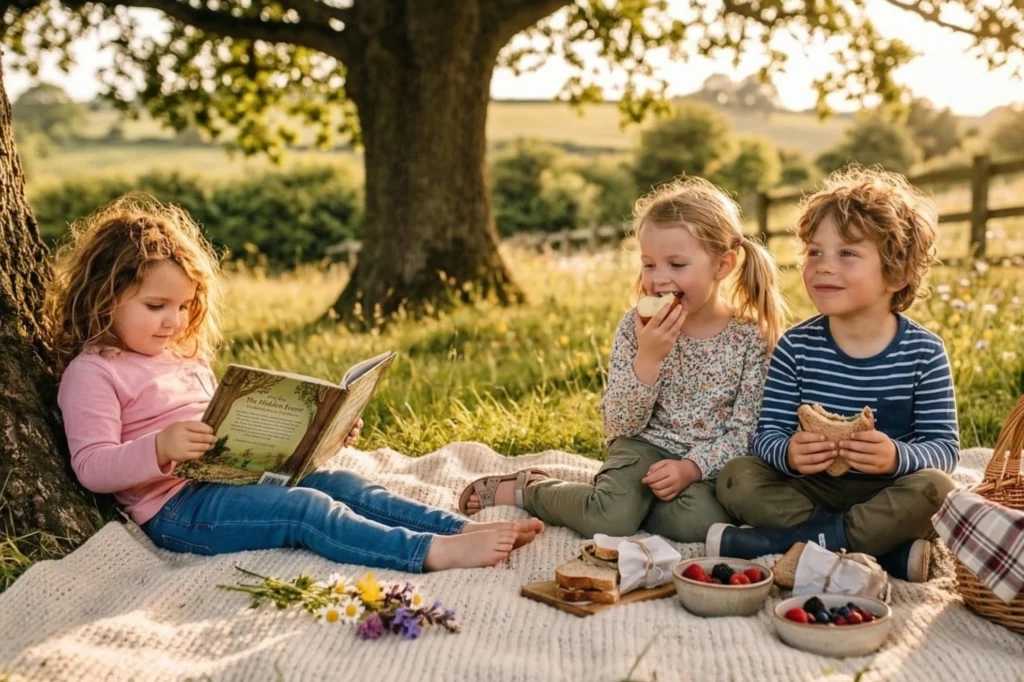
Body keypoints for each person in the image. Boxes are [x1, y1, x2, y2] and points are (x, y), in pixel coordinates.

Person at [48, 194, 543, 573]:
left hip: (233, 478)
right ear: (104, 296)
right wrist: (159, 447)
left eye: (182, 307)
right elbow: (92, 467)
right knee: (305, 509)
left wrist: (320, 433)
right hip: (178, 508)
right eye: (156, 307)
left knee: (344, 483)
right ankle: (429, 552)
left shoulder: (184, 357)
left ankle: (457, 527)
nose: (172, 322)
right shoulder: (94, 371)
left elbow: (231, 436)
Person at [460, 177, 786, 543]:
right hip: (642, 445)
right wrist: (648, 358)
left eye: (677, 264)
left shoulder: (749, 339)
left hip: (703, 464)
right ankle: (529, 489)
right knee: (610, 520)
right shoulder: (636, 327)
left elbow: (746, 432)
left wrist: (691, 468)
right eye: (649, 264)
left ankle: (628, 504)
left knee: (697, 525)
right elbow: (618, 423)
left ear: (723, 264)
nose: (659, 279)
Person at [710, 167, 959, 582]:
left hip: (886, 491)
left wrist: (897, 456)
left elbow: (944, 449)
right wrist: (789, 452)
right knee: (737, 476)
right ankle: (885, 553)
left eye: (847, 254)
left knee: (938, 489)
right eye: (814, 252)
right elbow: (766, 434)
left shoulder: (924, 352)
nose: (824, 266)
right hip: (811, 490)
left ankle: (783, 543)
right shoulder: (796, 347)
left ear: (895, 273)